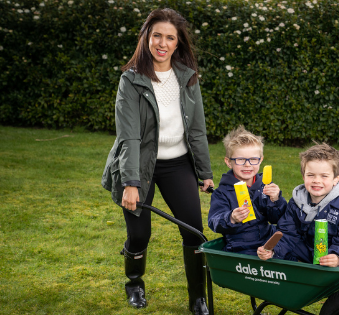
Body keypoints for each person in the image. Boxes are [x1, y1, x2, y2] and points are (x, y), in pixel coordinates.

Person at [101, 8, 213, 315]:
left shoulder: (187, 78)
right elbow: (129, 137)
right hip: (141, 164)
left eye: (170, 38)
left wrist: (204, 172)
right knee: (139, 234)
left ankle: (197, 298)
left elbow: (197, 129)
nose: (162, 43)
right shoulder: (131, 81)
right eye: (157, 36)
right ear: (146, 38)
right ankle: (134, 283)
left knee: (194, 231)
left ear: (178, 44)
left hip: (177, 164)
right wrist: (131, 183)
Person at [257, 143, 339, 267]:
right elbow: (288, 233)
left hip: (332, 256)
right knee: (283, 248)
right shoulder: (296, 203)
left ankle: (333, 266)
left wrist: (337, 257)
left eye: (324, 176)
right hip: (307, 252)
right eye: (310, 175)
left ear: (336, 178)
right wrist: (273, 251)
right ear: (303, 176)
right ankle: (297, 272)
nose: (316, 180)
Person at [208, 126, 287, 256]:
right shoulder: (222, 193)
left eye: (253, 159)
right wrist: (231, 218)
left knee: (293, 244)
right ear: (228, 162)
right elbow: (214, 222)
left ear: (260, 160)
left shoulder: (265, 186)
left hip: (268, 241)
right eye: (240, 159)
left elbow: (278, 219)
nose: (247, 164)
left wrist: (276, 200)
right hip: (240, 247)